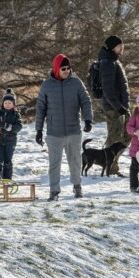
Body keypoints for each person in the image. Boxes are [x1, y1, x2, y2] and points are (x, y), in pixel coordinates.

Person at [36, 54, 93, 200]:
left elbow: (86, 101)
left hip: (73, 131)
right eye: (63, 68)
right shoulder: (47, 85)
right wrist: (39, 130)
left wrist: (88, 120)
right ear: (56, 69)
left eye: (68, 68)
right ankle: (54, 191)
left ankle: (77, 187)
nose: (67, 71)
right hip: (54, 133)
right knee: (54, 164)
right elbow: (40, 108)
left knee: (75, 161)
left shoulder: (76, 83)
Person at [97, 35, 129, 176]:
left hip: (121, 107)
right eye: (119, 46)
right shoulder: (108, 63)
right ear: (111, 47)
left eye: (122, 45)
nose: (122, 48)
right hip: (113, 109)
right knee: (115, 138)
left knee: (128, 135)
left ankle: (112, 164)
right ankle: (110, 167)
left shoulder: (113, 61)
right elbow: (108, 90)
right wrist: (118, 106)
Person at [0, 88, 22, 180]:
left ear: (13, 104)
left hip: (10, 141)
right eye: (5, 103)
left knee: (8, 160)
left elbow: (19, 126)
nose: (7, 105)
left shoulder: (16, 115)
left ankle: (7, 179)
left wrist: (9, 127)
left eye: (9, 103)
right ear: (3, 104)